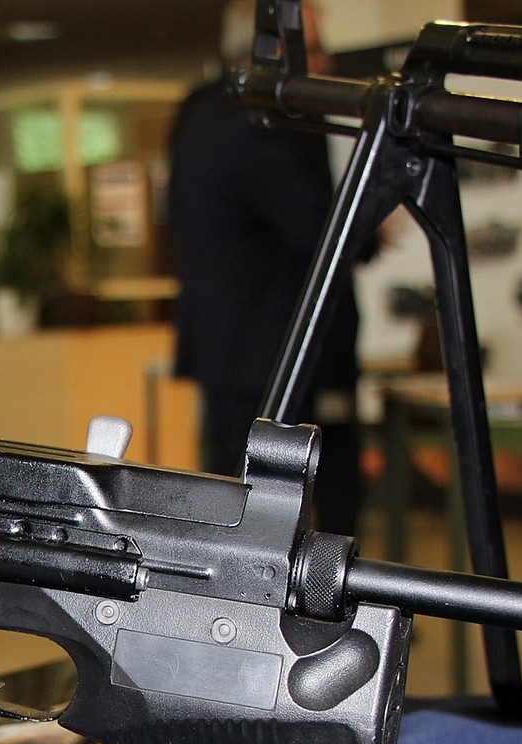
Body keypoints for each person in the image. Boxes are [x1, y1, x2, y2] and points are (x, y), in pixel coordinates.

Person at [167, 0, 362, 535]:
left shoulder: (198, 108)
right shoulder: (264, 120)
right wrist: (367, 230)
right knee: (271, 518)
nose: (325, 63)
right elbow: (311, 225)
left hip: (231, 349)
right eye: (313, 48)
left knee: (236, 506)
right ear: (271, 49)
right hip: (272, 353)